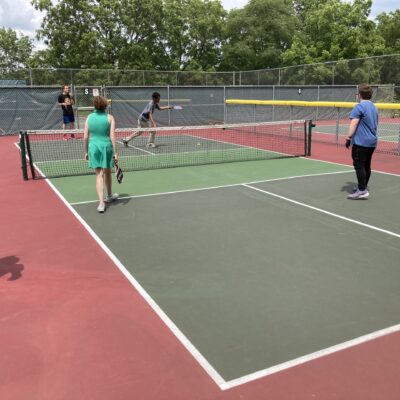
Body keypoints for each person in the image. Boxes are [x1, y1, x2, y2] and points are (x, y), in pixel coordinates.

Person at [84, 96, 119, 213]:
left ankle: (101, 203)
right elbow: (113, 136)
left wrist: (85, 152)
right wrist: (116, 153)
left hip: (93, 147)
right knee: (108, 172)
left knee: (99, 175)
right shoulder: (110, 118)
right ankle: (108, 195)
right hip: (106, 147)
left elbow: (85, 137)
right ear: (105, 106)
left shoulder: (89, 117)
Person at [345, 83, 378, 200]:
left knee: (359, 165)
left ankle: (362, 191)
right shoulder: (374, 107)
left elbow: (354, 122)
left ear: (360, 95)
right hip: (372, 142)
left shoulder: (359, 106)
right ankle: (362, 187)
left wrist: (348, 137)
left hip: (361, 142)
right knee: (366, 165)